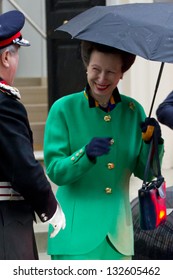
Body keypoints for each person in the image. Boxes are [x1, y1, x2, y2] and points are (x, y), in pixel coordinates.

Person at [44, 41, 164, 260]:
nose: (101, 79)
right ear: (87, 67)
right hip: (74, 236)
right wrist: (85, 154)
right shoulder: (63, 109)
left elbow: (147, 172)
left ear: (121, 74)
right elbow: (55, 171)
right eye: (96, 70)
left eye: (110, 72)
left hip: (119, 238)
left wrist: (152, 142)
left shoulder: (133, 111)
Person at [0, 10, 66, 260]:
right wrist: (50, 206)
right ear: (6, 57)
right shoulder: (5, 104)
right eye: (16, 54)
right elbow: (23, 167)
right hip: (6, 220)